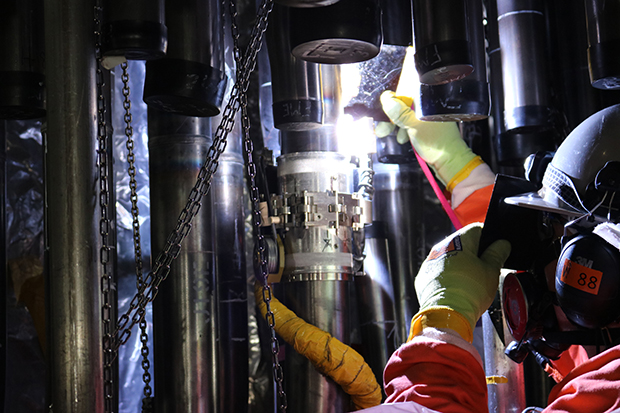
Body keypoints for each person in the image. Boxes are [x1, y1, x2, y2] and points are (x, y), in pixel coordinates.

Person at [360, 93, 620, 413]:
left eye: (562, 245)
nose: (534, 270)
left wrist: (442, 327)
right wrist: (454, 162)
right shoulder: (599, 357)